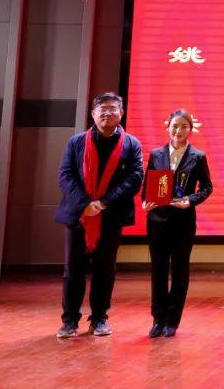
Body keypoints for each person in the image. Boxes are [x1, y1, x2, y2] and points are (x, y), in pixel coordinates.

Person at [55, 92, 144, 338]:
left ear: (121, 113)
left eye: (112, 109)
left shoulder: (131, 144)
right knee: (73, 270)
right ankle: (69, 320)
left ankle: (99, 318)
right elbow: (65, 175)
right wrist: (85, 204)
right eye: (102, 109)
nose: (107, 113)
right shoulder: (76, 142)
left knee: (105, 269)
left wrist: (103, 203)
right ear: (93, 114)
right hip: (79, 215)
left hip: (111, 215)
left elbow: (135, 178)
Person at [141, 109, 213, 338]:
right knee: (158, 270)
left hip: (183, 221)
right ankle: (158, 319)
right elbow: (147, 184)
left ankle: (172, 320)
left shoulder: (198, 156)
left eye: (183, 126)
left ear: (190, 129)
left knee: (180, 270)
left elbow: (207, 188)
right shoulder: (156, 154)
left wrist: (190, 200)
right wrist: (145, 202)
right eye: (174, 126)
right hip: (157, 220)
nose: (178, 131)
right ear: (167, 127)